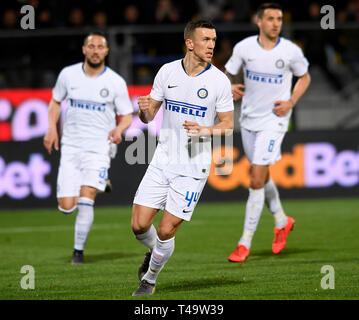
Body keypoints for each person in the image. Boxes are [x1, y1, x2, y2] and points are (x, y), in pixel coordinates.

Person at [131, 20, 234, 295]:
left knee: (166, 231)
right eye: (206, 40)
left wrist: (206, 130)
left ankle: (149, 279)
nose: (212, 45)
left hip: (193, 167)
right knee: (139, 225)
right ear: (190, 43)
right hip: (162, 159)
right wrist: (143, 110)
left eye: (214, 40)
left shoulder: (219, 81)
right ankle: (155, 253)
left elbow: (228, 125)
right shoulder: (167, 72)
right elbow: (149, 114)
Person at [225, 3, 311, 262]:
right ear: (259, 21)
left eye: (280, 19)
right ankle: (282, 221)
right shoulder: (244, 48)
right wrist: (229, 86)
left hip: (275, 121)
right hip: (249, 119)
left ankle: (244, 243)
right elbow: (226, 74)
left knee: (255, 178)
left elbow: (304, 77)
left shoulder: (291, 51)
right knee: (262, 176)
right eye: (271, 18)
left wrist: (291, 103)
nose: (276, 23)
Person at [43, 32, 133, 264]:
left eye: (100, 47)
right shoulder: (68, 74)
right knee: (67, 206)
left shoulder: (115, 82)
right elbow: (55, 101)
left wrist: (119, 130)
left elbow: (126, 115)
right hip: (71, 146)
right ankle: (101, 183)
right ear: (84, 49)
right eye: (91, 46)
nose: (95, 51)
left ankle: (77, 252)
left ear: (106, 51)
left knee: (87, 196)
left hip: (99, 148)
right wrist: (52, 128)